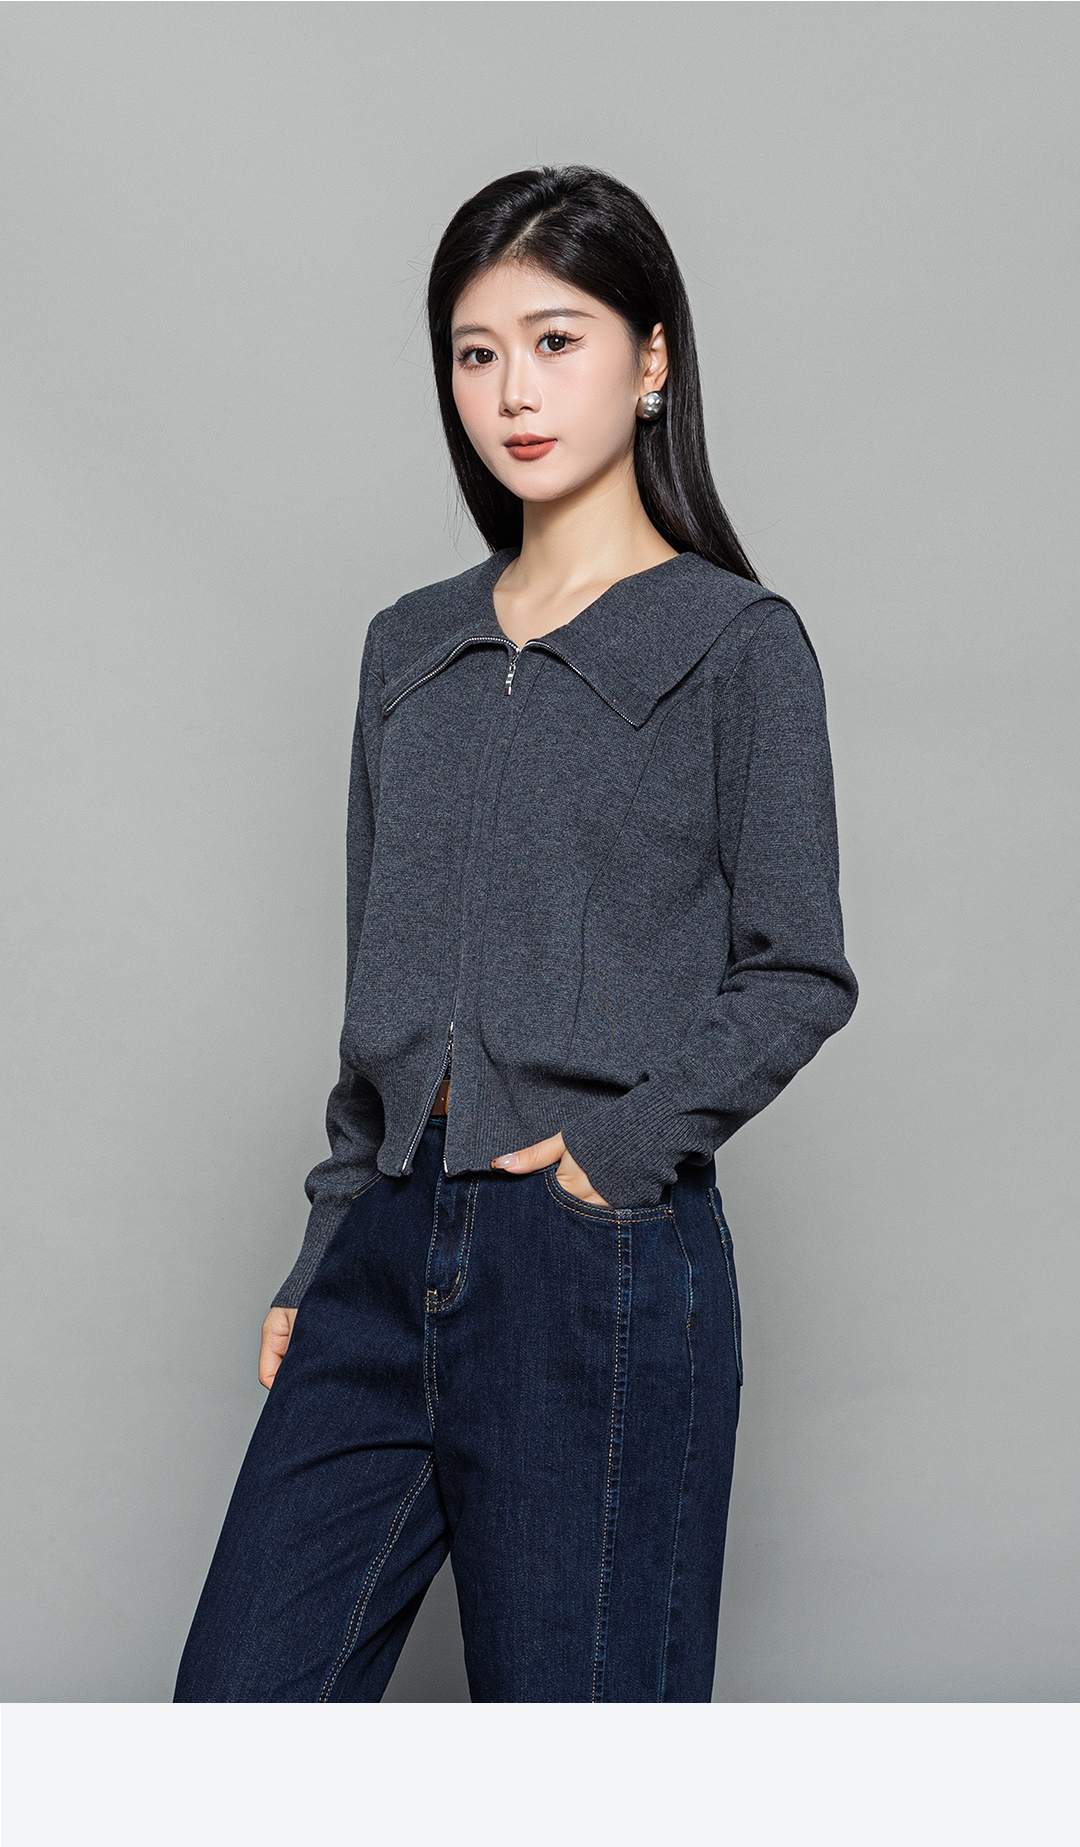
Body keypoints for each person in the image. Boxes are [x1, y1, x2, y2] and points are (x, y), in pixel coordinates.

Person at [174, 164, 857, 1704]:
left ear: (652, 357)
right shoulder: (409, 647)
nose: (514, 393)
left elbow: (799, 968)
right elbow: (381, 991)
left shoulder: (736, 645)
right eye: (476, 353)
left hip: (587, 1258)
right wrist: (323, 1246)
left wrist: (616, 1155)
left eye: (557, 341)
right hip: (381, 1248)